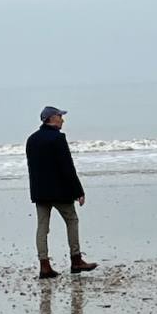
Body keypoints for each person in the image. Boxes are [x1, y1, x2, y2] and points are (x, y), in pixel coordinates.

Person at [26, 106, 97, 279]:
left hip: (39, 192)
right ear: (51, 118)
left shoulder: (31, 139)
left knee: (42, 227)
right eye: (60, 116)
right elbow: (67, 167)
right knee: (72, 220)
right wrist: (78, 190)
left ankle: (44, 265)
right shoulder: (58, 138)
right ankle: (76, 260)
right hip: (59, 192)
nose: (62, 120)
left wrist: (36, 190)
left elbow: (32, 168)